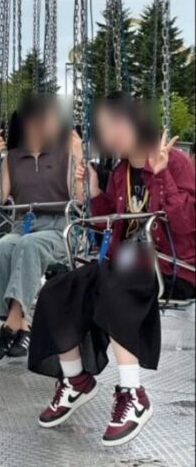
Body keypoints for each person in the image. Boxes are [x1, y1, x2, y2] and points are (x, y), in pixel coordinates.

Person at [29, 92, 195, 447]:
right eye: (104, 128)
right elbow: (112, 224)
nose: (111, 134)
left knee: (114, 276)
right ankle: (75, 379)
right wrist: (92, 191)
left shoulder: (176, 162)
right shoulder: (121, 172)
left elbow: (186, 225)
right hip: (125, 263)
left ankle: (133, 395)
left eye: (117, 124)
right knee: (58, 289)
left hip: (171, 267)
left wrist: (162, 174)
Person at [0, 94, 83, 362]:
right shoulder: (14, 158)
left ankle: (9, 328)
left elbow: (79, 198)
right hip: (24, 225)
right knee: (0, 250)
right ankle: (23, 326)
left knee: (29, 246)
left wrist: (78, 156)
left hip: (58, 226)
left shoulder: (64, 154)